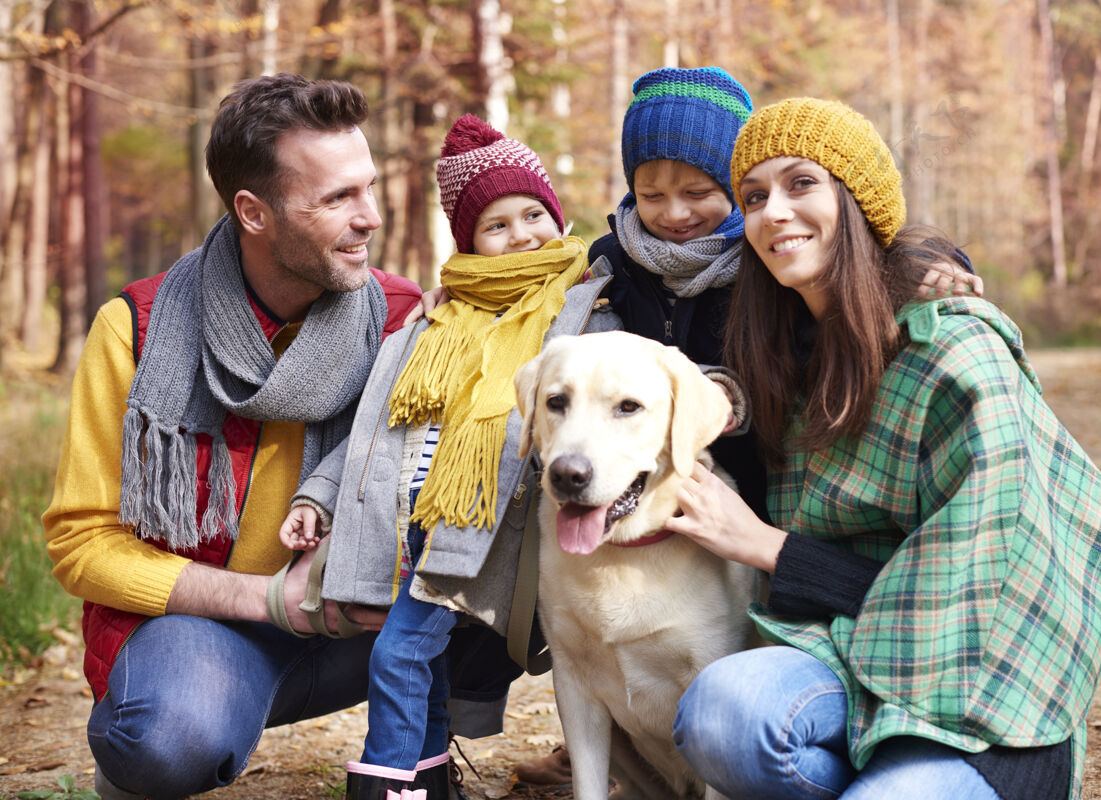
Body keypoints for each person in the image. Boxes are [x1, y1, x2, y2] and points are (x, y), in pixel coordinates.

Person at [514, 66, 984, 789]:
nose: (674, 213)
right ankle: (624, 747)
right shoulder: (611, 265)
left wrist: (929, 259)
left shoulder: (764, 271)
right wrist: (450, 292)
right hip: (667, 493)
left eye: (701, 192)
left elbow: (863, 253)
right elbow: (530, 281)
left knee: (726, 689)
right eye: (651, 193)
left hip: (762, 506)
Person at [664, 97, 1101, 799]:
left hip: (987, 690)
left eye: (802, 184)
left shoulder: (954, 350)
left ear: (857, 201)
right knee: (721, 715)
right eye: (754, 197)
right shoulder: (784, 357)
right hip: (852, 653)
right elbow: (657, 230)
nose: (774, 213)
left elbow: (974, 596)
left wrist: (769, 547)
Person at [40, 73, 425, 799]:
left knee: (525, 604)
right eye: (337, 198)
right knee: (164, 738)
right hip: (212, 626)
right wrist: (270, 601)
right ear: (254, 211)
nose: (370, 216)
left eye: (367, 187)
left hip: (363, 618)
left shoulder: (406, 320)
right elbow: (82, 545)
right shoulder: (138, 330)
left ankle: (429, 752)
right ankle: (191, 712)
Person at [279, 113, 619, 800]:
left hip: (487, 526)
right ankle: (430, 777)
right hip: (409, 523)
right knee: (419, 658)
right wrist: (317, 494)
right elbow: (378, 426)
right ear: (470, 242)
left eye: (533, 214)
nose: (522, 234)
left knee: (401, 651)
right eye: (497, 226)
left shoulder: (587, 309)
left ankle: (391, 781)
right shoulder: (434, 324)